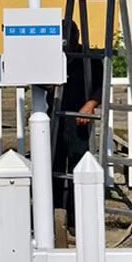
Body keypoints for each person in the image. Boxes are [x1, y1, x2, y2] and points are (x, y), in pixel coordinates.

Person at [51, 20, 103, 231]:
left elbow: (101, 86)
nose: (67, 44)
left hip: (79, 119)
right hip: (55, 117)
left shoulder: (89, 59)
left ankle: (75, 219)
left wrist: (90, 105)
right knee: (52, 166)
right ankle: (53, 218)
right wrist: (49, 83)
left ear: (77, 36)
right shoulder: (52, 58)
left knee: (78, 168)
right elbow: (37, 81)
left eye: (70, 39)